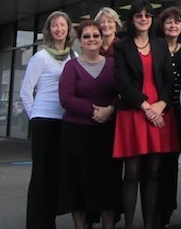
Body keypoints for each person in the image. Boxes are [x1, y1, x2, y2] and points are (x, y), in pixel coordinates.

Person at [113, 0, 179, 229]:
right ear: (131, 19)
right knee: (131, 172)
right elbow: (121, 82)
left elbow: (169, 81)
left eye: (148, 15)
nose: (143, 18)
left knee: (153, 171)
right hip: (134, 112)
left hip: (160, 112)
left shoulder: (160, 44)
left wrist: (160, 105)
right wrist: (146, 107)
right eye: (139, 15)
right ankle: (130, 225)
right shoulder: (122, 46)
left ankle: (149, 224)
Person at [58, 19, 120, 229]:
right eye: (87, 36)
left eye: (96, 35)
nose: (92, 39)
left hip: (106, 134)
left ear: (102, 39)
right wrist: (95, 112)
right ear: (80, 41)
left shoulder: (113, 64)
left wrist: (110, 110)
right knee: (77, 183)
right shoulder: (71, 66)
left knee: (108, 184)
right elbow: (66, 98)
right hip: (76, 135)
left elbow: (121, 92)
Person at [20, 10, 75, 229]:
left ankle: (49, 220)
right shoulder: (41, 57)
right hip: (44, 120)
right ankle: (36, 223)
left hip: (65, 121)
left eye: (63, 25)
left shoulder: (74, 57)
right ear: (49, 30)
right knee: (41, 173)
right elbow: (26, 91)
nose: (59, 29)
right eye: (55, 26)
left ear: (68, 29)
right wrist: (34, 116)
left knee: (57, 174)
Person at [155, 6, 181, 228]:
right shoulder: (156, 49)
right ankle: (163, 212)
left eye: (177, 22)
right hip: (163, 115)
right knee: (165, 166)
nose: (172, 25)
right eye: (168, 21)